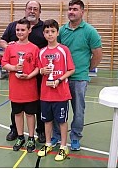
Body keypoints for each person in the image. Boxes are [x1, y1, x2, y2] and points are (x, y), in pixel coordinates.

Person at [52, 0, 102, 151]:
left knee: (78, 109)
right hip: (61, 77)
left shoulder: (90, 31)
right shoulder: (61, 31)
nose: (71, 12)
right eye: (69, 9)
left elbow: (98, 55)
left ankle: (75, 137)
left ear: (82, 12)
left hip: (79, 78)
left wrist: (85, 69)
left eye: (75, 9)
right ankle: (56, 135)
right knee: (58, 108)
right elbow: (55, 49)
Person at [0, 1, 47, 143]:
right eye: (29, 8)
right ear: (25, 10)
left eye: (35, 9)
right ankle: (15, 130)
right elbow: (2, 41)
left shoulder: (44, 27)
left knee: (37, 105)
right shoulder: (13, 25)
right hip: (17, 77)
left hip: (37, 74)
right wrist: (10, 47)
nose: (32, 11)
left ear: (40, 11)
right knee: (17, 107)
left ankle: (40, 131)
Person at [37, 19, 75, 161]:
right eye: (47, 32)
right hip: (46, 94)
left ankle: (63, 146)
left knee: (62, 121)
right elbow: (39, 69)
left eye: (52, 31)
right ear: (43, 34)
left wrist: (59, 80)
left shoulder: (64, 50)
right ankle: (48, 143)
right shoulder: (41, 52)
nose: (50, 34)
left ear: (57, 32)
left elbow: (71, 69)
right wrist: (42, 70)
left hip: (61, 94)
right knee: (47, 121)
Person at [1, 18, 40, 152]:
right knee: (17, 114)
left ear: (29, 30)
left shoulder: (34, 49)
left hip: (30, 89)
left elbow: (38, 67)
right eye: (18, 30)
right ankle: (20, 136)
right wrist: (13, 67)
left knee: (30, 114)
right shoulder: (10, 47)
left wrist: (29, 76)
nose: (20, 32)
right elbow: (4, 63)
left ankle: (30, 138)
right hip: (15, 89)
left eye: (23, 29)